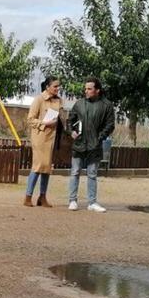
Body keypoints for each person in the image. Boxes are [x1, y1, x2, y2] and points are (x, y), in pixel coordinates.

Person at [66, 78, 115, 212]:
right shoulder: (79, 104)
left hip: (95, 145)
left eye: (89, 89)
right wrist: (72, 131)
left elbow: (110, 125)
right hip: (79, 144)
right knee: (75, 172)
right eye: (85, 88)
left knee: (92, 174)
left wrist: (99, 138)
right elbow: (70, 120)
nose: (86, 91)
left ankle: (92, 202)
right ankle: (72, 201)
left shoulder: (106, 105)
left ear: (97, 90)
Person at [24, 76, 64, 207]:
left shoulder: (59, 101)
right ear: (47, 87)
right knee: (37, 166)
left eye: (58, 86)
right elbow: (30, 119)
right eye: (55, 86)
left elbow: (60, 118)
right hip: (40, 138)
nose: (58, 89)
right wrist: (44, 123)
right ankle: (28, 197)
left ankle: (42, 197)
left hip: (52, 139)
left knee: (47, 167)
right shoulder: (39, 99)